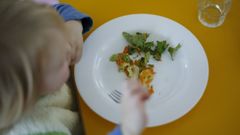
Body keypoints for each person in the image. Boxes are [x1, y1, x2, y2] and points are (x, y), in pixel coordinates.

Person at [0, 0, 149, 135]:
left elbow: (56, 10)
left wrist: (72, 24)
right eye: (60, 62)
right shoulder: (42, 129)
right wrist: (127, 129)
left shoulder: (14, 22)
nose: (67, 48)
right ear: (27, 90)